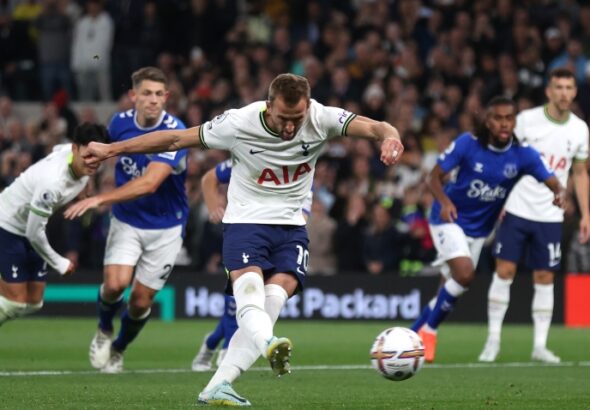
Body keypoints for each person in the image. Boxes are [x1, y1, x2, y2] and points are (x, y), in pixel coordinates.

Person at [82, 73, 404, 405]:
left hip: (292, 228)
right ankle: (268, 343)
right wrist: (112, 149)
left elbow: (378, 127)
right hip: (246, 223)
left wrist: (391, 138)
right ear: (269, 106)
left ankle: (218, 385)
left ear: (307, 106)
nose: (290, 127)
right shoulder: (238, 122)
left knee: (272, 303)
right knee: (250, 296)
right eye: (283, 118)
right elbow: (176, 139)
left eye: (297, 118)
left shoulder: (321, 117)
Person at [410, 96, 565, 363]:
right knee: (465, 275)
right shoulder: (467, 144)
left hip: (479, 231)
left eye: (509, 118)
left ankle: (411, 335)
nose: (504, 123)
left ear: (514, 122)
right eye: (498, 118)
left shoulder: (523, 154)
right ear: (487, 121)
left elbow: (552, 180)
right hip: (448, 219)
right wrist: (444, 202)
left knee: (452, 287)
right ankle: (430, 332)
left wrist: (559, 193)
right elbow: (433, 177)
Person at [63, 67, 188, 373]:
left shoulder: (175, 131)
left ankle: (119, 348)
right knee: (115, 285)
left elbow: (150, 183)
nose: (153, 100)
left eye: (158, 94)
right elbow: (97, 155)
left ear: (166, 97)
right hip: (127, 220)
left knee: (141, 302)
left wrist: (100, 198)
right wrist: (86, 181)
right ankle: (104, 328)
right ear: (133, 96)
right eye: (146, 93)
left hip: (166, 227)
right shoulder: (119, 122)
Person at [479, 68, 590, 363]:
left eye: (569, 88)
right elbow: (502, 154)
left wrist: (586, 214)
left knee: (545, 276)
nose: (564, 93)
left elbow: (580, 172)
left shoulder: (580, 129)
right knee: (504, 271)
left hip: (551, 215)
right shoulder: (527, 121)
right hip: (517, 207)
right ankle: (492, 341)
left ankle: (540, 345)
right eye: (559, 87)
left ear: (574, 92)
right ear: (549, 91)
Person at [191, 159, 313, 371]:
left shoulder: (300, 172)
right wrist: (213, 207)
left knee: (254, 305)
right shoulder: (251, 155)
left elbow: (300, 217)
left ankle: (212, 344)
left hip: (277, 246)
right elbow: (210, 178)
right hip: (245, 235)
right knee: (237, 302)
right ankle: (226, 353)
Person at [0, 123, 109, 326]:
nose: (93, 162)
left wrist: (84, 185)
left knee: (34, 302)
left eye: (99, 157)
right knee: (14, 302)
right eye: (88, 156)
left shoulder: (71, 154)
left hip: (28, 228)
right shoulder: (52, 184)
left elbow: (59, 148)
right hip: (7, 224)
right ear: (75, 148)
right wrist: (59, 262)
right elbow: (34, 233)